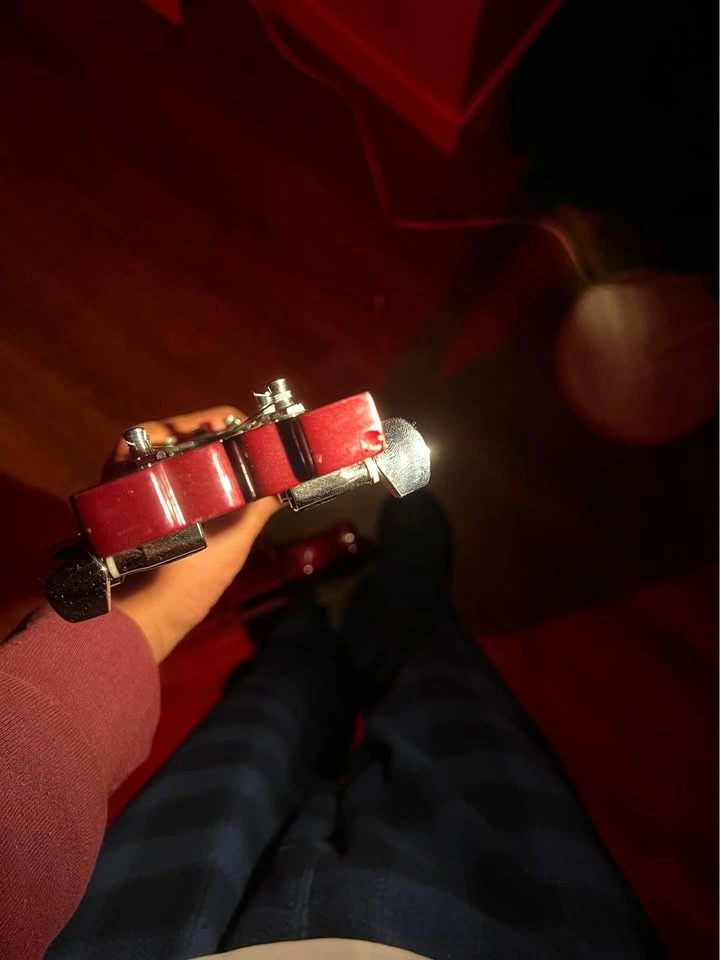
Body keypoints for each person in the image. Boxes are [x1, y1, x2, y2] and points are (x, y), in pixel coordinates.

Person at [1, 408, 665, 960]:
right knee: (436, 682)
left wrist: (150, 613)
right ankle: (403, 600)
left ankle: (312, 617)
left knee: (270, 706)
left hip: (146, 933)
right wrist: (147, 616)